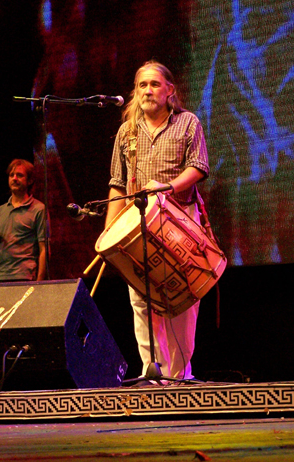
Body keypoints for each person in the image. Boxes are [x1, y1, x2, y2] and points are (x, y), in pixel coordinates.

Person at [105, 61, 210, 382]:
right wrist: (108, 235)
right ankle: (154, 375)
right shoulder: (127, 132)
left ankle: (180, 377)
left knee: (181, 300)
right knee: (141, 299)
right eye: (141, 86)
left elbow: (199, 167)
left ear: (169, 91)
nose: (147, 91)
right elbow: (117, 184)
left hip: (179, 222)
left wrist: (168, 187)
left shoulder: (187, 123)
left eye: (153, 84)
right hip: (138, 225)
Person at [0, 159, 47, 294]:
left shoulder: (38, 209)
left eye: (19, 175)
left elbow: (44, 249)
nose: (14, 179)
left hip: (23, 277)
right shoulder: (0, 211)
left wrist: (39, 283)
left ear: (30, 180)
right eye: (11, 175)